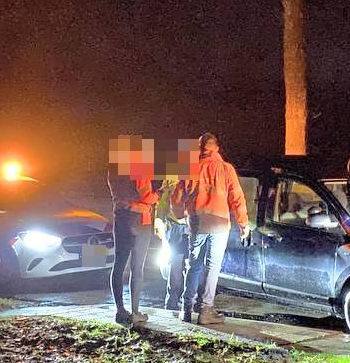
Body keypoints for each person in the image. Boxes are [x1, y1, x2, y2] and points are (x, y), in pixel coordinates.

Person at [178, 133, 251, 325]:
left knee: (193, 265)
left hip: (197, 223)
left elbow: (176, 198)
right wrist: (243, 224)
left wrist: (179, 215)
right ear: (216, 147)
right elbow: (237, 198)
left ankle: (186, 308)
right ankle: (206, 311)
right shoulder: (226, 169)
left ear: (199, 148)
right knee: (212, 267)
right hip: (219, 224)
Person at [106, 136, 162, 327]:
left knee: (119, 264)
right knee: (137, 267)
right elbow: (146, 196)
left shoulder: (113, 169)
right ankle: (136, 312)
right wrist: (159, 194)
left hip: (121, 218)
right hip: (140, 220)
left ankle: (120, 310)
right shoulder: (139, 167)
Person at [154, 174, 192, 311]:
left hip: (177, 226)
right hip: (187, 225)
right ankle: (185, 301)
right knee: (190, 265)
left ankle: (173, 301)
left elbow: (163, 201)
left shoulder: (172, 176)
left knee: (177, 264)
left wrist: (159, 220)